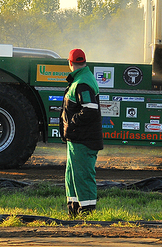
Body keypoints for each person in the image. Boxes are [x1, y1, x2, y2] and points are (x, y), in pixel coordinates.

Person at [59, 48, 103, 218]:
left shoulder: (82, 82)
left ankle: (87, 213)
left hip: (83, 140)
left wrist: (71, 123)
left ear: (70, 63)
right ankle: (74, 210)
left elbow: (90, 109)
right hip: (76, 138)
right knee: (72, 175)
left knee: (82, 175)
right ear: (84, 61)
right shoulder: (81, 79)